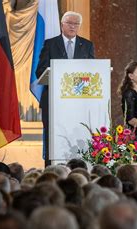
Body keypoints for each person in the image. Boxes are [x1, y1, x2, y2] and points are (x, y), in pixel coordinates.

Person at [36, 11, 95, 166]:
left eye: (76, 24)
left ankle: (80, 167)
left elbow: (92, 71)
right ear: (62, 24)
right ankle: (51, 169)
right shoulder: (50, 44)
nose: (73, 26)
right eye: (69, 23)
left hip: (78, 102)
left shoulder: (87, 45)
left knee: (78, 136)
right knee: (52, 137)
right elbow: (40, 70)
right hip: (53, 101)